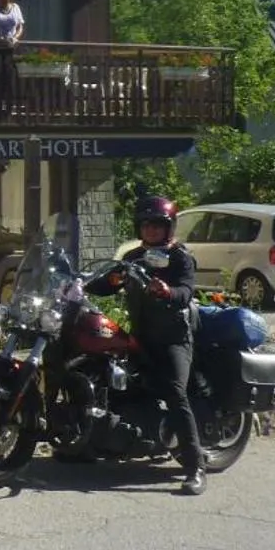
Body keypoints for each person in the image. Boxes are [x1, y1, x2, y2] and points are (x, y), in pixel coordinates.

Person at [96, 195, 206, 495]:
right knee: (108, 377)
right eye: (146, 224)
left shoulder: (180, 257)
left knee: (175, 393)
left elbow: (186, 291)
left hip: (173, 338)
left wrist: (169, 291)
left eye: (157, 224)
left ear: (168, 227)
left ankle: (195, 467)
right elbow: (106, 284)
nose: (151, 229)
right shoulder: (133, 257)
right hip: (140, 336)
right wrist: (80, 283)